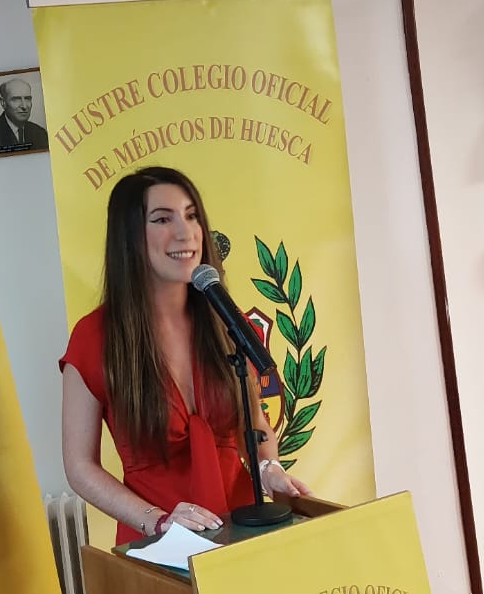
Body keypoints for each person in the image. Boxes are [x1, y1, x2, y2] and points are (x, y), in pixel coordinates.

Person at [59, 166, 312, 545]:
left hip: (243, 533)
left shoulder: (224, 319)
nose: (186, 232)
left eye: (191, 215)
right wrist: (157, 521)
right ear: (129, 237)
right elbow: (79, 467)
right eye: (163, 219)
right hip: (162, 545)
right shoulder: (94, 337)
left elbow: (254, 424)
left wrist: (268, 467)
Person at [0, 78, 49, 154]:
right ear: (3, 102)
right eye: (16, 99)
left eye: (27, 99)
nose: (24, 106)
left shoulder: (40, 133)